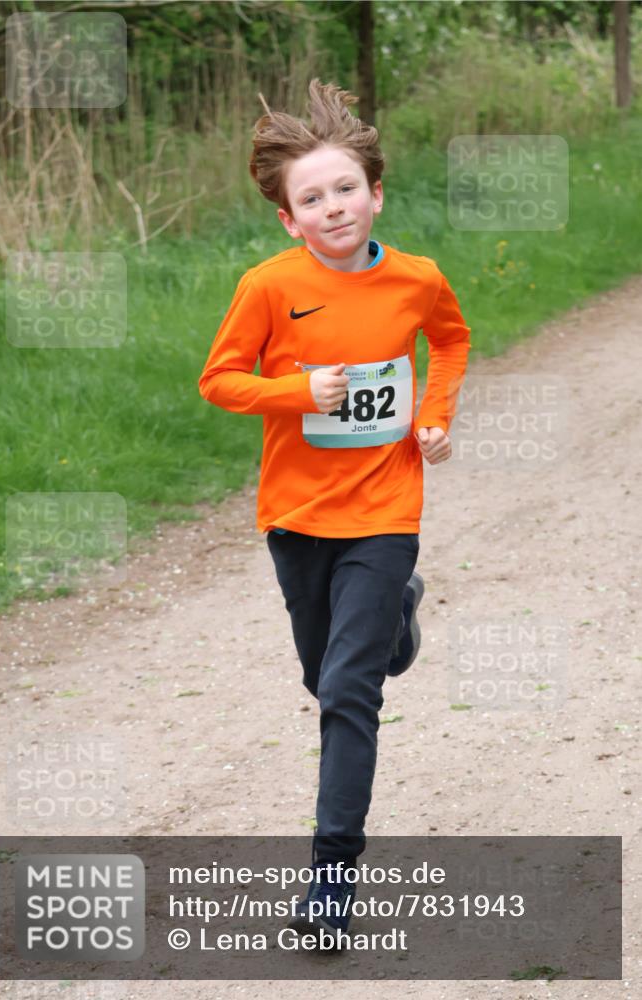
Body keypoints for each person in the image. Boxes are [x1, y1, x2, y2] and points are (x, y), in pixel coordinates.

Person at [198, 78, 471, 946]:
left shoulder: (416, 280)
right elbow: (220, 380)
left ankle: (328, 887)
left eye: (344, 187)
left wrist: (433, 417)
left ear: (375, 192)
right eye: (309, 198)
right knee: (329, 675)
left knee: (346, 696)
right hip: (296, 514)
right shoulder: (267, 287)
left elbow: (452, 339)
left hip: (386, 510)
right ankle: (397, 623)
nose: (332, 206)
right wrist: (295, 389)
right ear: (288, 219)